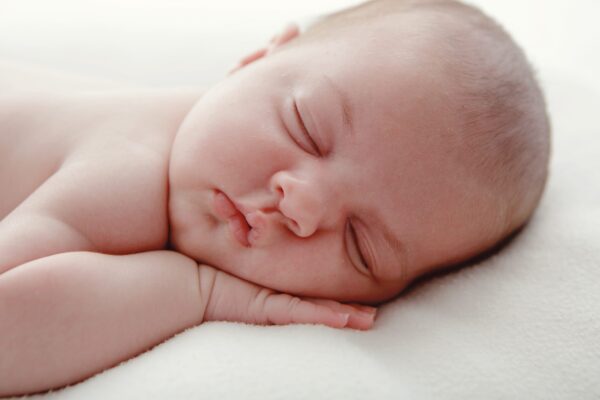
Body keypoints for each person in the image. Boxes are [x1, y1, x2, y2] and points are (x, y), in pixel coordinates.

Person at [0, 0, 550, 395]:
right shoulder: (127, 170)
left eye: (361, 245)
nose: (301, 207)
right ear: (259, 57)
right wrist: (195, 292)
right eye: (304, 127)